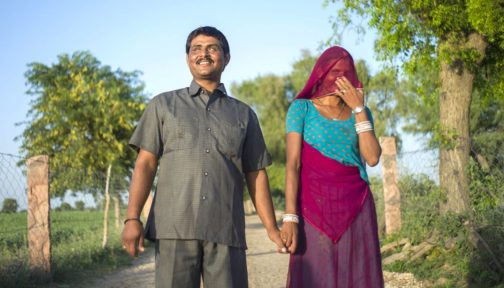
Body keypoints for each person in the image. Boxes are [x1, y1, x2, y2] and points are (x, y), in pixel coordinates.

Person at [121, 26, 285, 288]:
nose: (204, 54)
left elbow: (256, 174)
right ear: (188, 58)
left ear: (226, 57)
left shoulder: (244, 115)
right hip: (174, 227)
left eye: (212, 48)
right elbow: (146, 163)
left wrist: (272, 229)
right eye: (196, 49)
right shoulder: (162, 105)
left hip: (226, 228)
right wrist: (132, 218)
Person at [281, 46, 384, 287]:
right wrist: (289, 217)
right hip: (314, 207)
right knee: (318, 274)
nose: (341, 78)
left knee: (356, 274)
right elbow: (293, 164)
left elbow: (372, 158)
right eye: (335, 71)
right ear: (322, 73)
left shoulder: (361, 112)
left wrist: (359, 109)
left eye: (348, 72)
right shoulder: (302, 109)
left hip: (356, 205)